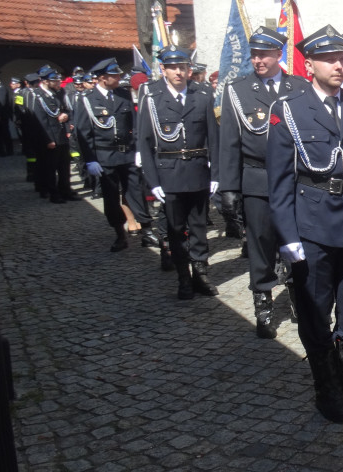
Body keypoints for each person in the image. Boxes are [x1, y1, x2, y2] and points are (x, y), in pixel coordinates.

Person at [267, 24, 343, 423]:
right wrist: (287, 237)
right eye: (329, 59)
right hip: (313, 224)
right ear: (310, 65)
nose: (339, 65)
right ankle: (326, 385)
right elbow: (280, 182)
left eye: (342, 58)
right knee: (316, 309)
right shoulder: (288, 109)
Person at [219, 26, 307, 338]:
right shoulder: (238, 90)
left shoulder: (299, 87)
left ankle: (300, 297)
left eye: (264, 54)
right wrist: (228, 187)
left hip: (294, 179)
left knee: (296, 241)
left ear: (278, 54)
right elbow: (229, 142)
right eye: (254, 54)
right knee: (260, 243)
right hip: (257, 180)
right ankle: (263, 300)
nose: (258, 60)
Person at [137, 46, 220, 300]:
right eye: (172, 67)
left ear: (188, 69)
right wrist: (152, 181)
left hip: (197, 171)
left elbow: (213, 139)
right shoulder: (152, 98)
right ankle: (184, 277)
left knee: (198, 228)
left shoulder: (202, 95)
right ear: (163, 69)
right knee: (175, 229)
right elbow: (145, 141)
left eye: (182, 67)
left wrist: (215, 174)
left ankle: (201, 275)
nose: (178, 72)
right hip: (169, 174)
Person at [74, 57, 155, 252]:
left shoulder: (123, 94)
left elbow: (134, 124)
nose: (119, 78)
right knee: (111, 198)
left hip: (127, 154)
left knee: (136, 192)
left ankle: (147, 231)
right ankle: (119, 233)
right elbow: (82, 132)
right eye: (114, 75)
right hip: (104, 157)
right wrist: (90, 160)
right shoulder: (87, 99)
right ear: (102, 78)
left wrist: (138, 151)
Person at [31, 66, 78, 203]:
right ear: (45, 81)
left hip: (62, 135)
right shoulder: (38, 96)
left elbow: (66, 109)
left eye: (58, 80)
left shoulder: (58, 92)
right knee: (51, 168)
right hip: (50, 138)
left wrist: (66, 117)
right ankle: (54, 194)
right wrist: (48, 139)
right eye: (54, 81)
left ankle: (66, 191)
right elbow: (40, 121)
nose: (58, 83)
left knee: (64, 167)